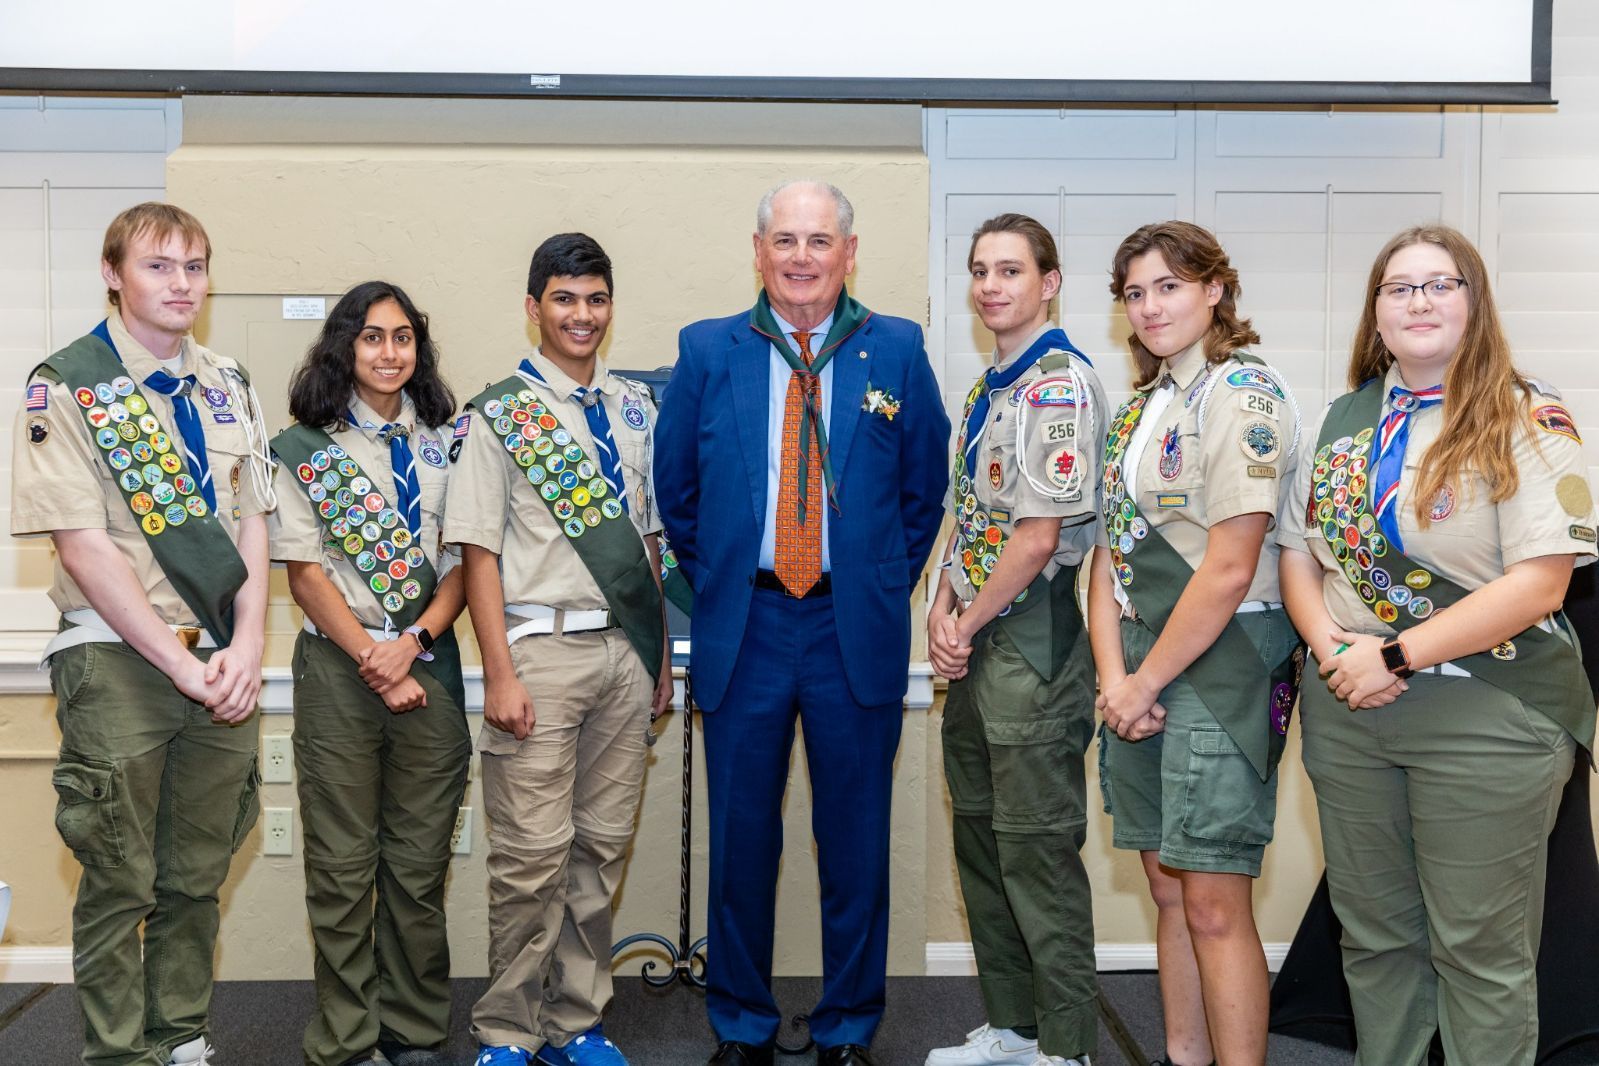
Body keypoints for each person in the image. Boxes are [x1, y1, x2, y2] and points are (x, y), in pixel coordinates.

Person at [1278, 224, 1596, 1066]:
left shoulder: (1526, 413)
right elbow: (1297, 559)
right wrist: (1330, 652)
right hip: (1349, 712)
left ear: (1472, 302)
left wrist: (1388, 656)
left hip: (1484, 713)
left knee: (1478, 956)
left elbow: (1541, 583)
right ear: (1374, 313)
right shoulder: (1340, 422)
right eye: (1397, 287)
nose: (1417, 300)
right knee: (1374, 944)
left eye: (1439, 284)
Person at [653, 179, 950, 1066]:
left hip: (847, 632)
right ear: (758, 251)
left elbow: (922, 492)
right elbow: (678, 493)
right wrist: (731, 583)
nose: (800, 258)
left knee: (854, 845)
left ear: (848, 254)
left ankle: (848, 1028)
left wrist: (868, 580)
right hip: (743, 628)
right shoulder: (708, 350)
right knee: (740, 842)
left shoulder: (894, 348)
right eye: (784, 240)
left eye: (819, 241)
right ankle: (740, 1024)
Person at [10, 202, 274, 1065]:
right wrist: (180, 662)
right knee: (119, 877)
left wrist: (244, 647)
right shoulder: (68, 384)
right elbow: (83, 547)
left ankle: (183, 1038)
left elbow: (253, 523)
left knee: (197, 874)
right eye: (159, 266)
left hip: (220, 662)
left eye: (195, 266)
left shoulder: (229, 381)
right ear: (113, 272)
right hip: (119, 657)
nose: (181, 284)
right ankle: (122, 1056)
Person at [445, 233, 672, 1066]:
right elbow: (476, 552)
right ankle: (506, 1029)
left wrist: (653, 657)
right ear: (535, 305)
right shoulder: (498, 414)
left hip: (624, 655)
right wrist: (497, 672)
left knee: (598, 850)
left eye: (596, 298)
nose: (583, 315)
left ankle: (576, 1020)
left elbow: (647, 542)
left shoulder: (634, 409)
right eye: (566, 299)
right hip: (537, 655)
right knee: (530, 859)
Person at [1087, 221, 1302, 1066]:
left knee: (1214, 904)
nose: (1148, 306)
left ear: (1214, 289)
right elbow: (1106, 560)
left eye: (1168, 286)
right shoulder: (1142, 407)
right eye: (1134, 293)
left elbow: (1228, 567)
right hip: (1138, 672)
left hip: (1219, 673)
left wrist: (1141, 685)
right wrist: (1116, 677)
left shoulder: (1242, 396)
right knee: (1167, 894)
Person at [268, 281, 469, 1066]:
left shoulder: (451, 443)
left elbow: (464, 563)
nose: (390, 352)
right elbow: (306, 575)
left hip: (429, 660)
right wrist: (373, 659)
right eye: (373, 337)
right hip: (339, 669)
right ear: (344, 347)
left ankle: (414, 1031)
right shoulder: (305, 448)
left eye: (403, 337)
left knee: (418, 869)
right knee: (343, 869)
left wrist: (411, 639)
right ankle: (347, 1038)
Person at [924, 214, 1105, 1066]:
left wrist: (962, 619)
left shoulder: (1058, 386)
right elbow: (970, 518)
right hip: (976, 637)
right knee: (983, 843)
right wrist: (938, 604)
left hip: (1031, 640)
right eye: (979, 270)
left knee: (1035, 852)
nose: (991, 285)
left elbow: (1035, 539)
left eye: (1009, 270)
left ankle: (1065, 1045)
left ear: (1049, 281)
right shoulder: (989, 388)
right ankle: (1013, 1026)